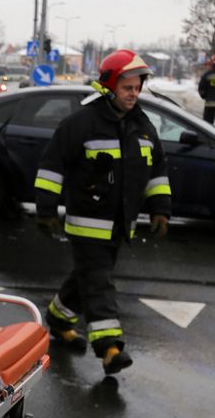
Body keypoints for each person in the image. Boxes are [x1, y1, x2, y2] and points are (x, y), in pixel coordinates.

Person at [34, 49, 172, 376]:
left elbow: (157, 171)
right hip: (86, 223)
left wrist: (161, 209)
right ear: (110, 86)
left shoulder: (142, 126)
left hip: (120, 225)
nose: (134, 94)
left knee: (87, 277)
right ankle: (109, 347)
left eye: (138, 88)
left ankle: (58, 317)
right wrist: (46, 209)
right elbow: (52, 166)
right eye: (127, 88)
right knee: (98, 282)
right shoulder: (82, 123)